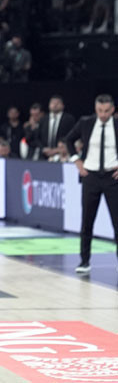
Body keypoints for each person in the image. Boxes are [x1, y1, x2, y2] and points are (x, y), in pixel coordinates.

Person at [63, 94, 118, 274]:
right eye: (100, 110)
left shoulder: (116, 125)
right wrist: (76, 160)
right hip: (91, 176)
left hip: (112, 177)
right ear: (95, 109)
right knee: (87, 221)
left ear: (113, 109)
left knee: (117, 222)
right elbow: (68, 139)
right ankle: (84, 261)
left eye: (107, 111)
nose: (103, 114)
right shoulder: (86, 123)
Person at [37, 96, 76, 160]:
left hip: (62, 155)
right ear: (49, 105)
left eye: (57, 103)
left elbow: (71, 136)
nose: (55, 105)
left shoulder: (69, 119)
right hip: (44, 155)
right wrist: (43, 148)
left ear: (63, 105)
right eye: (53, 103)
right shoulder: (43, 119)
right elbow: (37, 137)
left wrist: (57, 150)